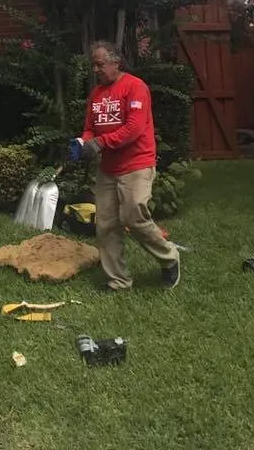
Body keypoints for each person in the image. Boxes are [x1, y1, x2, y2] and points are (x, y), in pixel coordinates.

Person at [69, 40, 180, 291]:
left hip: (136, 163)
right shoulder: (96, 94)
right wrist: (83, 143)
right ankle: (119, 280)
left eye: (100, 64)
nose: (95, 70)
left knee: (134, 216)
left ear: (115, 62)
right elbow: (90, 129)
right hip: (109, 168)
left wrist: (99, 143)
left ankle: (169, 257)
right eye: (93, 65)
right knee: (106, 224)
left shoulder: (135, 87)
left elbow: (133, 129)